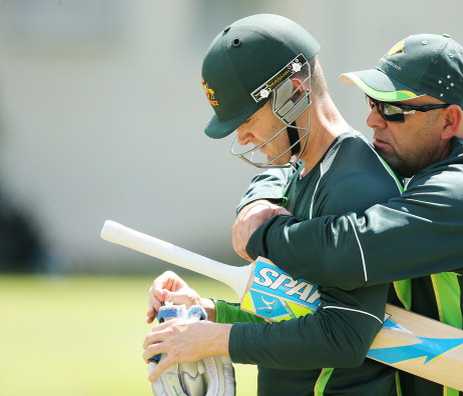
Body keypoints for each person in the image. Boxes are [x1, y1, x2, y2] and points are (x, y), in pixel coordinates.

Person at [233, 34, 463, 395]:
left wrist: (262, 233)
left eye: (394, 110)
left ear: (449, 120)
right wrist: (259, 199)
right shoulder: (429, 169)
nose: (373, 120)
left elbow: (347, 250)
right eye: (373, 102)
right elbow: (303, 163)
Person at [143, 14, 406, 396]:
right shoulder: (303, 171)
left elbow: (344, 336)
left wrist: (215, 339)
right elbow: (296, 311)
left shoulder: (356, 186)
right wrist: (207, 311)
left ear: (294, 91)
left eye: (247, 117)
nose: (242, 134)